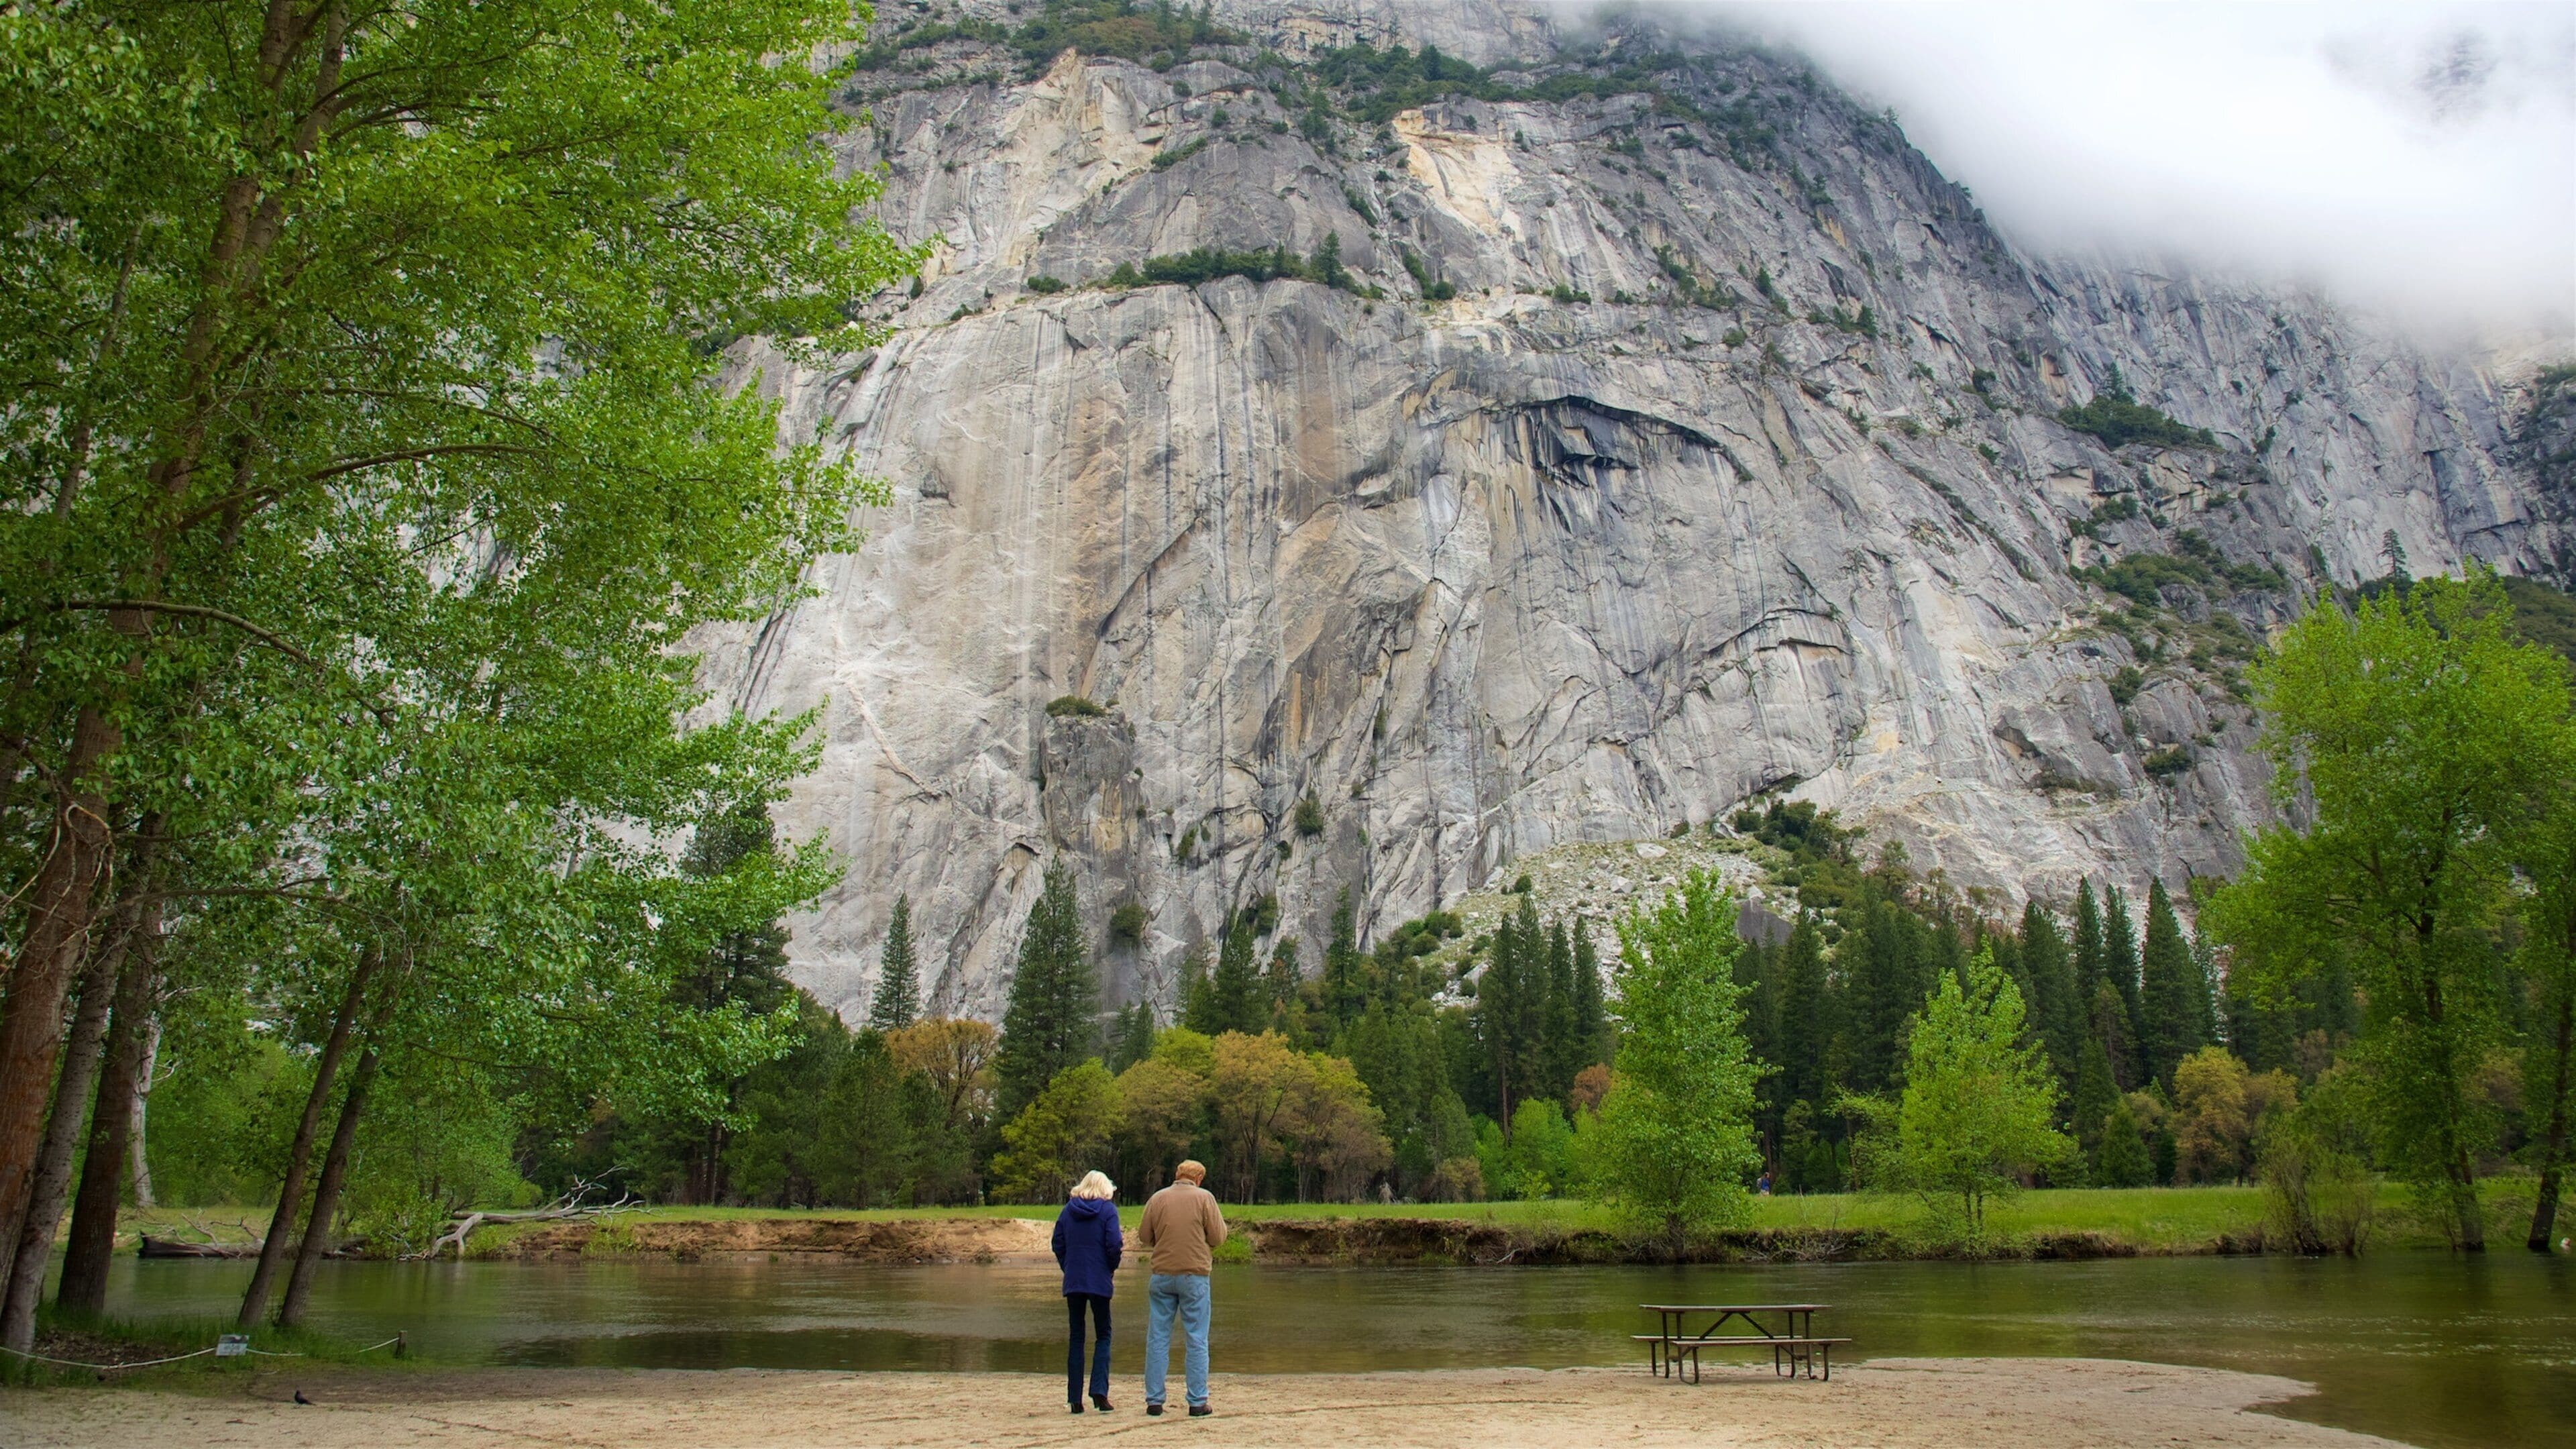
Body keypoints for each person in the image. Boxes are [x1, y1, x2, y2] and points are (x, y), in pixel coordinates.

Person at [1134, 1159, 1226, 1417]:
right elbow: (1218, 1238)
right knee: (1197, 1339)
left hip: (1162, 1275)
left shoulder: (1157, 1198)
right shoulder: (1205, 1198)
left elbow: (1144, 1237)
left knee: (1158, 1338)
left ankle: (1154, 1401)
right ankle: (1197, 1402)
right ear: (1199, 1179)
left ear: (1177, 1175)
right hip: (1195, 1276)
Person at [1052, 1170, 1123, 1414]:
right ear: (1105, 1189)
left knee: (1077, 1337)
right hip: (1100, 1280)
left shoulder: (1068, 1210)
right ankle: (1099, 1392)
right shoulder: (1107, 1211)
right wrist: (1109, 1268)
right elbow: (1114, 1244)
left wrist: (1068, 1266)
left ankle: (1074, 1398)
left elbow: (1057, 1243)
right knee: (1103, 1334)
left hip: (1074, 1280)